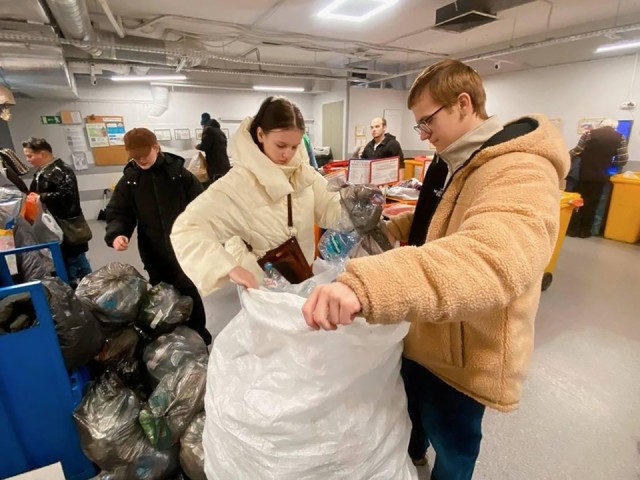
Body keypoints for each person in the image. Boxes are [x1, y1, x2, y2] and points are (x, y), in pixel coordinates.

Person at [302, 59, 569, 480]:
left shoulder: (521, 169)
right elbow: (435, 220)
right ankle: (412, 460)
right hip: (425, 324)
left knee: (455, 442)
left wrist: (369, 284)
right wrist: (382, 230)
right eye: (419, 127)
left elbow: (491, 258)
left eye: (428, 122)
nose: (423, 135)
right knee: (411, 414)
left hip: (465, 345)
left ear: (463, 104)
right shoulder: (449, 159)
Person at [170, 96, 342, 296]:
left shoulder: (303, 173)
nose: (288, 154)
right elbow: (187, 228)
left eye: (294, 146)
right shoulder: (238, 183)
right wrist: (228, 267)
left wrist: (354, 208)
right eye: (281, 145)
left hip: (303, 280)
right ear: (260, 134)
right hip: (262, 287)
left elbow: (331, 208)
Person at [104, 128, 211, 344]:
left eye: (145, 154)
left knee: (188, 291)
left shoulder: (180, 175)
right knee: (162, 294)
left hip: (183, 247)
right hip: (153, 250)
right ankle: (172, 337)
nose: (141, 160)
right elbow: (118, 212)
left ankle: (199, 334)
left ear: (156, 147)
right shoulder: (130, 181)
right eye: (136, 157)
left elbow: (202, 206)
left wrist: (204, 235)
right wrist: (118, 234)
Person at [23, 137, 92, 285]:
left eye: (30, 155)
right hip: (52, 224)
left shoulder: (61, 170)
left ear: (43, 154)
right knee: (66, 258)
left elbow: (68, 196)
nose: (27, 159)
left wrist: (42, 197)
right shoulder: (42, 171)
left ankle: (87, 289)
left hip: (66, 224)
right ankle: (78, 287)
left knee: (75, 259)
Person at [567, 119, 628, 238]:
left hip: (583, 174)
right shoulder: (620, 137)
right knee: (592, 203)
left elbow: (577, 151)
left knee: (577, 201)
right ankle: (584, 231)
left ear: (601, 125)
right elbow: (623, 159)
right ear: (614, 127)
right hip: (601, 176)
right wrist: (613, 167)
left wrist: (567, 156)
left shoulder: (589, 133)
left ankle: (572, 229)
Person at [196, 118, 231, 186]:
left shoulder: (209, 130)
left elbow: (204, 146)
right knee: (224, 186)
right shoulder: (221, 133)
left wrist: (197, 146)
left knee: (215, 186)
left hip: (216, 167)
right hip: (225, 165)